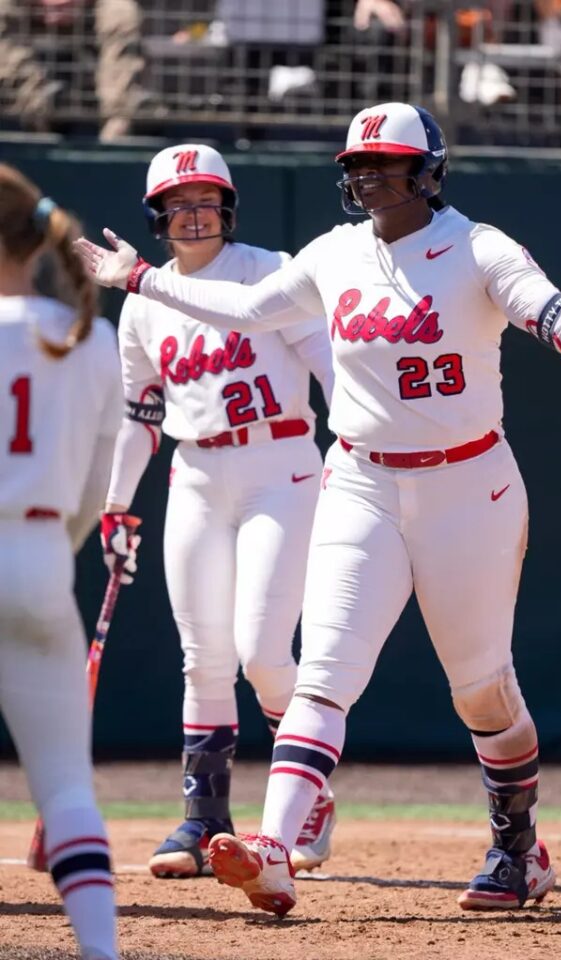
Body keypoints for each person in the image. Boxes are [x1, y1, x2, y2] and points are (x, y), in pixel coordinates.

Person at [74, 102, 561, 917]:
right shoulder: (334, 253)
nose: (368, 176)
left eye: (387, 163)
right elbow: (249, 309)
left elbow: (555, 315)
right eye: (357, 166)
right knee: (325, 673)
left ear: (428, 170)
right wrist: (139, 279)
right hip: (361, 481)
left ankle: (518, 848)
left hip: (467, 486)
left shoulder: (478, 248)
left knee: (480, 689)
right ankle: (272, 851)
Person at [99, 143, 336, 880]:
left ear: (227, 208)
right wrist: (114, 505)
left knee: (264, 651)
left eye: (207, 200)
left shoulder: (270, 271)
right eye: (179, 203)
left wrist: (359, 448)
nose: (194, 213)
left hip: (283, 462)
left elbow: (333, 369)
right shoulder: (142, 301)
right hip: (197, 470)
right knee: (203, 655)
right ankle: (204, 819)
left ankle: (310, 793)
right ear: (158, 218)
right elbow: (141, 412)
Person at [0, 164, 125, 959]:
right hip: (41, 555)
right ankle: (103, 952)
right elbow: (92, 490)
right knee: (68, 787)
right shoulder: (91, 334)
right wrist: (48, 555)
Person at [0, 0, 150, 142]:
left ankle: (115, 130)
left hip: (89, 7)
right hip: (28, 7)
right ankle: (35, 114)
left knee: (122, 11)